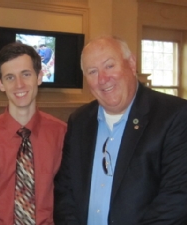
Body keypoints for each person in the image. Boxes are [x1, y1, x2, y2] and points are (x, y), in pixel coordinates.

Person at [53, 36, 187, 225]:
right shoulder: (80, 121)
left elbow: (177, 198)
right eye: (93, 71)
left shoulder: (174, 115)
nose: (103, 79)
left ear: (131, 64)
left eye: (109, 66)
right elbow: (65, 192)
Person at [0, 42, 67, 224]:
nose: (19, 84)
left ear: (39, 77)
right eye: (10, 77)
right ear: (0, 84)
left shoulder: (62, 134)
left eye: (26, 74)